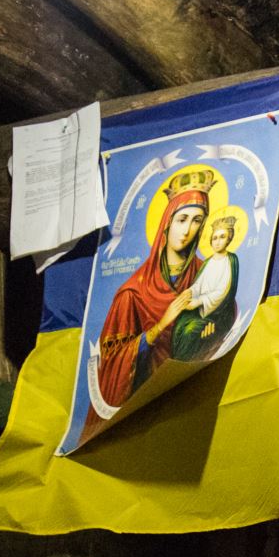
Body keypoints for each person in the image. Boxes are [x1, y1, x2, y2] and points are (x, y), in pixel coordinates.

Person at [89, 172, 209, 414]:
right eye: (182, 219)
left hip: (201, 394)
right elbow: (111, 363)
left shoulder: (207, 275)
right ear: (166, 223)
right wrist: (158, 328)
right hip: (149, 404)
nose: (188, 230)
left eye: (197, 221)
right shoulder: (133, 293)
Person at [170, 214, 240, 362]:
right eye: (215, 238)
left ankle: (183, 362)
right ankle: (176, 361)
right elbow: (199, 285)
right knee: (179, 325)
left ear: (229, 238)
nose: (217, 242)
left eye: (222, 237)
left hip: (218, 313)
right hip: (201, 308)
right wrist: (190, 291)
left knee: (190, 331)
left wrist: (199, 301)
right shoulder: (208, 262)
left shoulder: (231, 260)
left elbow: (223, 291)